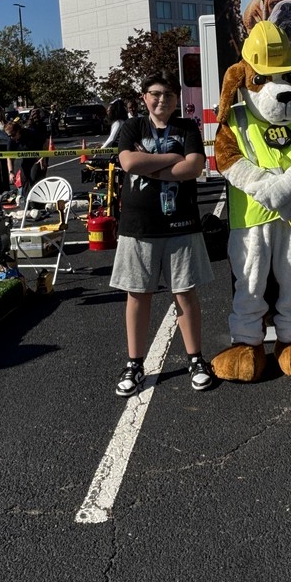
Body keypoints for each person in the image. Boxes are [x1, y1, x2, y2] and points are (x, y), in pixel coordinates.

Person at [109, 71, 214, 397]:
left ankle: (195, 359)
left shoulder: (187, 128)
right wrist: (172, 158)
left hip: (181, 225)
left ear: (176, 100)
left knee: (185, 294)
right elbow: (128, 162)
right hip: (138, 228)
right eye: (155, 94)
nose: (162, 100)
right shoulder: (132, 127)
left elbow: (194, 167)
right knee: (137, 296)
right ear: (144, 97)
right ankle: (135, 363)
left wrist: (150, 165)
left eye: (168, 95)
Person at [5, 118, 48, 204]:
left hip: (38, 158)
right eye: (9, 136)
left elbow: (45, 143)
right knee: (24, 179)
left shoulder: (31, 134)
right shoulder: (11, 140)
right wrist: (11, 172)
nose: (11, 137)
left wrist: (43, 158)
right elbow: (9, 157)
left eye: (13, 135)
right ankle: (27, 201)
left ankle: (38, 202)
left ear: (18, 131)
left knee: (34, 177)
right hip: (26, 159)